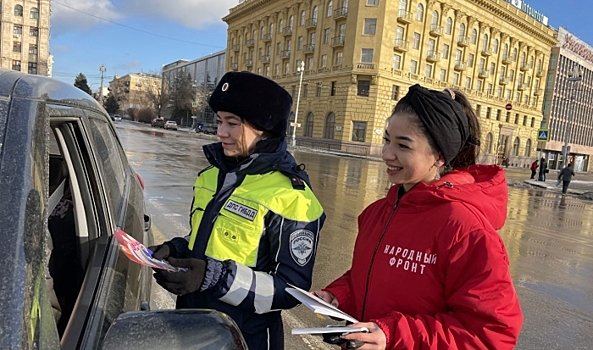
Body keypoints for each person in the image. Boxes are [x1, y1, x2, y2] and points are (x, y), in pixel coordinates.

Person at [314, 84, 523, 349]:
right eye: (387, 139)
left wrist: (392, 336)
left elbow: (490, 334)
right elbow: (371, 276)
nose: (387, 153)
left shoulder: (466, 229)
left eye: (403, 145)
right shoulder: (378, 212)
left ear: (438, 156)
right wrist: (338, 295)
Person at [149, 71, 326, 350]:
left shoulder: (292, 197)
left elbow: (291, 291)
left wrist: (214, 277)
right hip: (192, 326)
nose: (220, 132)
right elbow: (209, 241)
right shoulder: (211, 176)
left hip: (245, 339)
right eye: (219, 121)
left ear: (264, 128)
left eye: (232, 123)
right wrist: (176, 249)